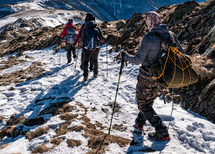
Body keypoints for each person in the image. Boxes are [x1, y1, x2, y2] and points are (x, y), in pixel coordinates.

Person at [119, 11, 184, 141]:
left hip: (147, 75)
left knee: (143, 104)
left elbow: (137, 60)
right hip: (162, 75)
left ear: (149, 22)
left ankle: (161, 131)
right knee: (148, 101)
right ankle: (139, 124)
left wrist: (124, 55)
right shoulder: (171, 35)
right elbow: (182, 53)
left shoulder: (149, 37)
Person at [78, 14, 105, 81]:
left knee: (86, 61)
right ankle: (95, 73)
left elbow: (82, 39)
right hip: (96, 47)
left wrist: (79, 45)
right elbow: (102, 39)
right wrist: (105, 38)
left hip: (86, 48)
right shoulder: (97, 28)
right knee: (95, 60)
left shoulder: (85, 28)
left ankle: (85, 76)